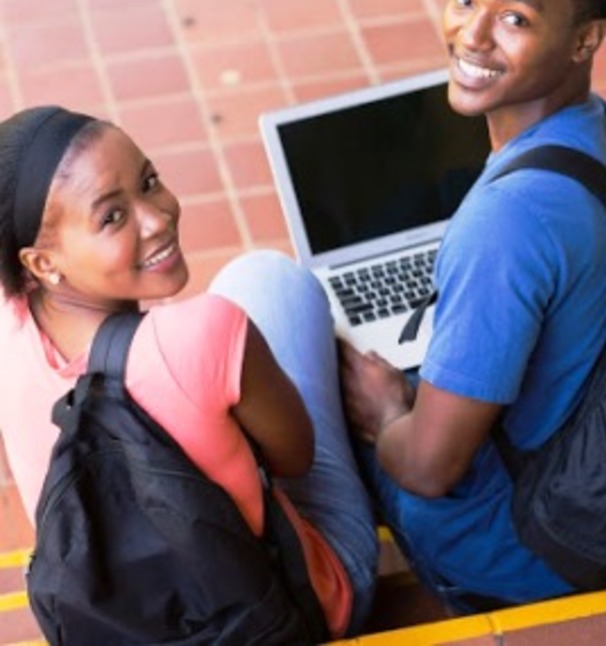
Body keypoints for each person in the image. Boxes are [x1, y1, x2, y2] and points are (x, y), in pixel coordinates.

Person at [338, 0, 606, 609]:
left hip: (520, 542)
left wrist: (386, 413)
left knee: (312, 373)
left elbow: (433, 469)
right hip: (590, 455)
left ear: (585, 39)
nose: (471, 36)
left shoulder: (507, 223)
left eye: (515, 19)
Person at [0, 107, 379, 639]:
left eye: (149, 182)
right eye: (112, 217)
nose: (156, 218)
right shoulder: (205, 331)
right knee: (268, 276)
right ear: (40, 264)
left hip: (119, 617)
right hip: (289, 616)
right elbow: (295, 457)